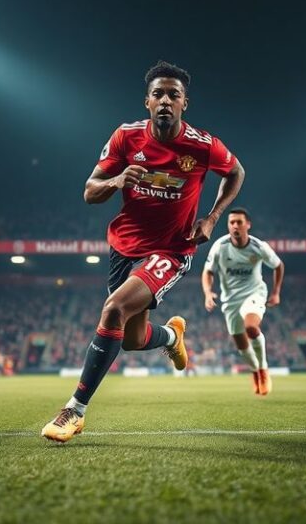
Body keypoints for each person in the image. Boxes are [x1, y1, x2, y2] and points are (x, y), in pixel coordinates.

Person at [42, 61, 245, 442]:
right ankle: (170, 337)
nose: (165, 100)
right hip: (124, 246)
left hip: (170, 249)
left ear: (184, 103)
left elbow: (236, 172)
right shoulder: (126, 136)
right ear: (147, 102)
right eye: (158, 94)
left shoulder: (203, 146)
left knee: (113, 309)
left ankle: (74, 410)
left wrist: (213, 217)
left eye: (173, 95)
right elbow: (89, 192)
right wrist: (118, 179)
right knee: (132, 339)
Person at [201, 208, 284, 395]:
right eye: (231, 222)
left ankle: (263, 369)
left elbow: (278, 265)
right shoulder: (220, 246)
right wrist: (207, 293)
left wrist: (276, 292)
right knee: (241, 344)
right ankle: (255, 371)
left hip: (254, 293)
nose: (235, 226)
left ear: (248, 225)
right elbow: (208, 272)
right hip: (230, 300)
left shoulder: (258, 246)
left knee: (251, 328)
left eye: (239, 222)